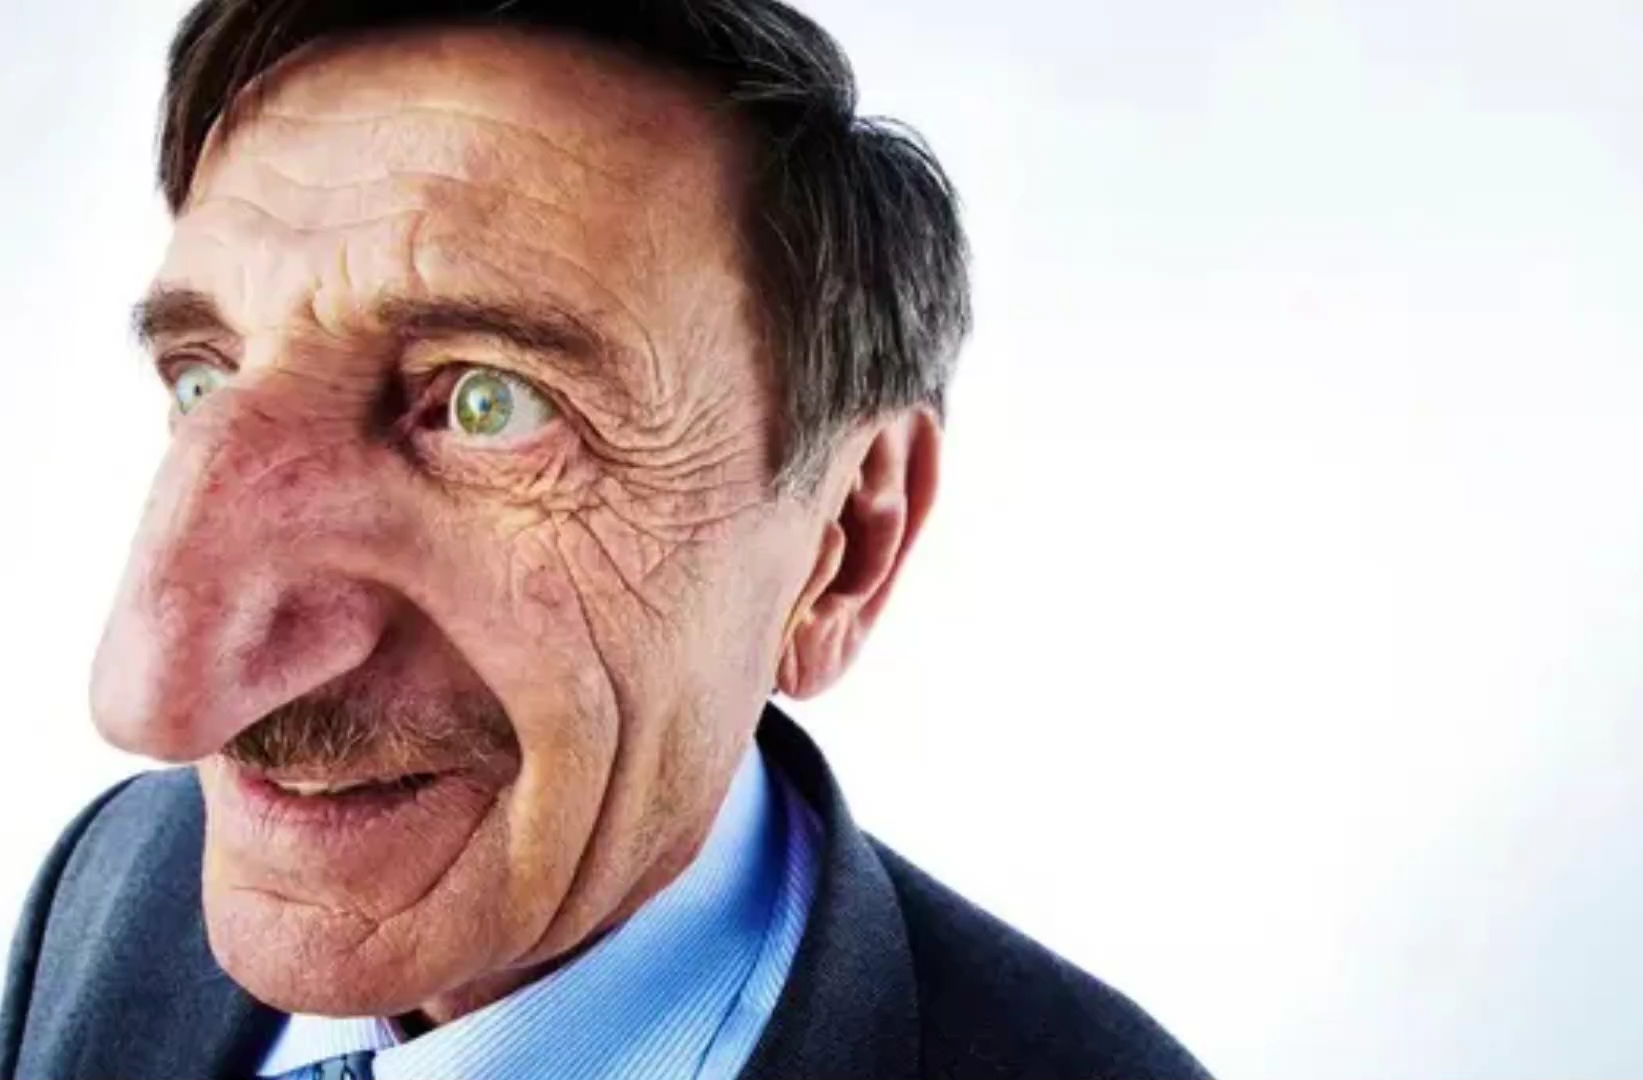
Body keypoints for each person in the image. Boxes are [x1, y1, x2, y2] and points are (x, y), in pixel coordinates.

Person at [0, 2, 1207, 1078]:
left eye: (489, 403)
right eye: (204, 378)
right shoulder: (115, 874)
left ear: (843, 544)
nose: (156, 703)